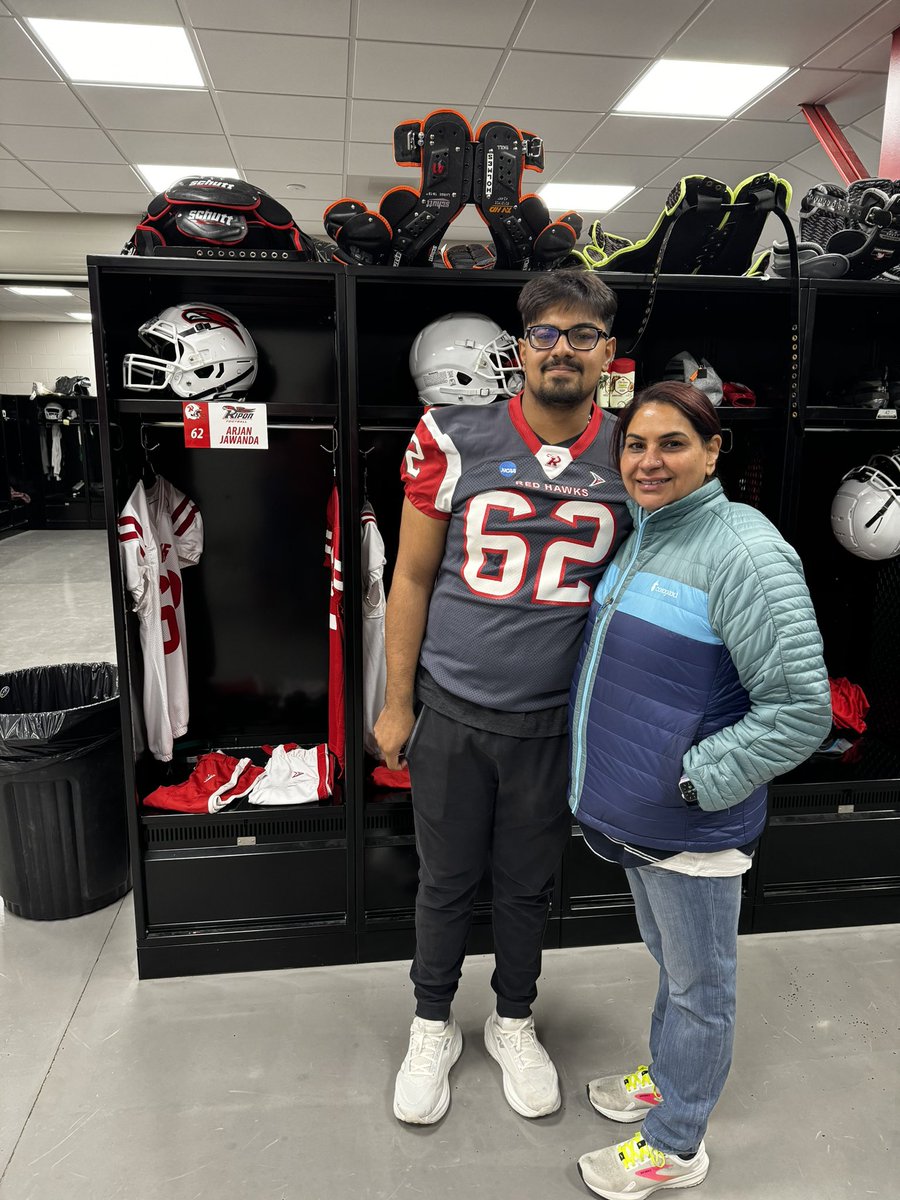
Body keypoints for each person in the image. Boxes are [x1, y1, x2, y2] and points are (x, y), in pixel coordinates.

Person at [375, 271, 632, 1125]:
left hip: (553, 718)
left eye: (584, 334)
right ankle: (433, 1022)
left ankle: (513, 1020)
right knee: (444, 882)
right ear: (521, 349)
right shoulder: (452, 435)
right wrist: (396, 700)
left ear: (607, 353)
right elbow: (409, 576)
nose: (564, 349)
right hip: (452, 705)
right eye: (548, 333)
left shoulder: (633, 453)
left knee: (527, 886)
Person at [567, 381, 831, 1197]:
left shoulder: (743, 550)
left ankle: (676, 1142)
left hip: (691, 824)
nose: (648, 461)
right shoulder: (645, 535)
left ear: (714, 452)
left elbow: (799, 711)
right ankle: (668, 1074)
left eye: (672, 443)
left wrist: (693, 781)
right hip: (642, 816)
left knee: (701, 989)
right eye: (636, 445)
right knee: (672, 969)